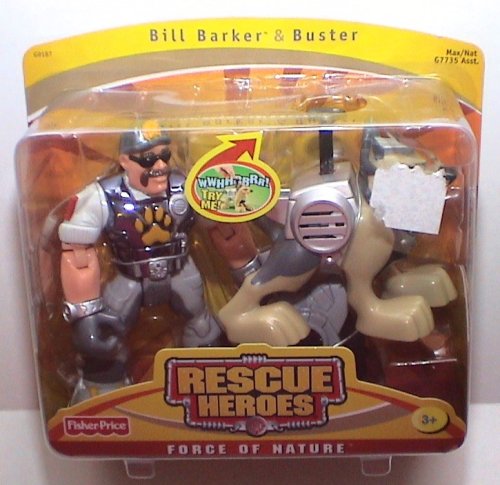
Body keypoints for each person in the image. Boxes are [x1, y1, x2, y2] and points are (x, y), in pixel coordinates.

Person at [59, 122, 222, 403]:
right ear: (124, 161)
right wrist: (85, 314)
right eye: (148, 158)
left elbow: (222, 227)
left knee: (203, 327)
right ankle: (101, 394)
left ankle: (208, 384)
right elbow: (77, 252)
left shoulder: (185, 186)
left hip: (181, 271)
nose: (160, 165)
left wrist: (249, 268)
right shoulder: (104, 197)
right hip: (129, 278)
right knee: (104, 338)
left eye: (165, 155)